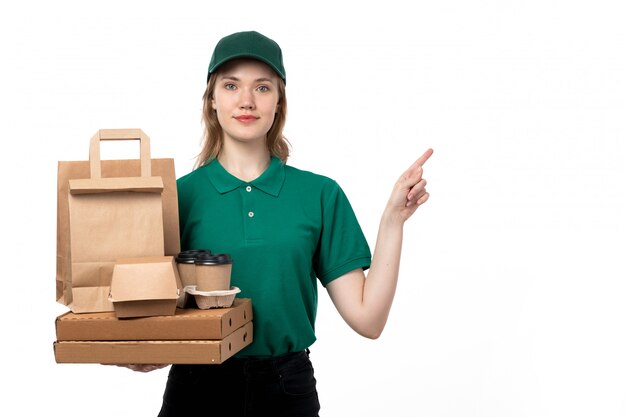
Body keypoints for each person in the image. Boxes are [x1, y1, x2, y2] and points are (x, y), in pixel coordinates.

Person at [131, 30, 432, 417]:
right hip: (197, 385)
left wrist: (393, 221)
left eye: (262, 87)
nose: (246, 100)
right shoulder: (177, 197)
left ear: (279, 101)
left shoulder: (319, 195)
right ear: (212, 100)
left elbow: (368, 319)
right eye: (231, 85)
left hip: (286, 389)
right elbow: (153, 310)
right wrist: (141, 349)